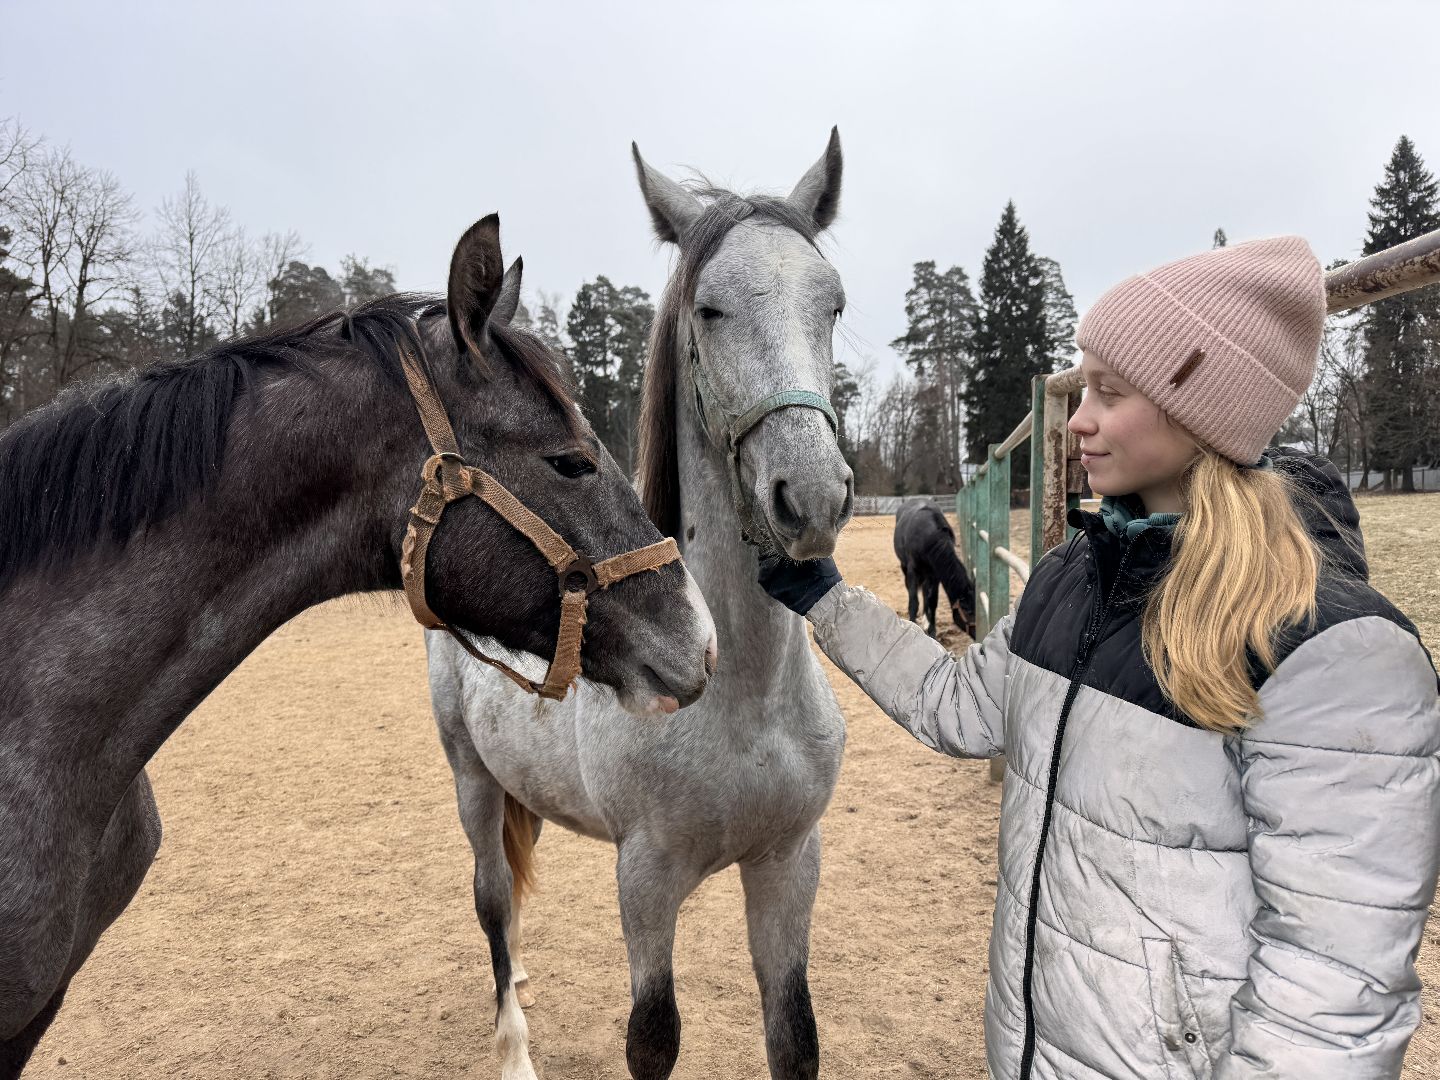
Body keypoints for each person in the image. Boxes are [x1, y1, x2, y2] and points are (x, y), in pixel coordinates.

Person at [758, 237, 1440, 1079]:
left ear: (1203, 411)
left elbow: (1333, 991)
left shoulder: (1333, 655)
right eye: (1083, 389)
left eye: (1110, 394)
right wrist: (826, 597)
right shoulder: (1074, 577)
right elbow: (959, 702)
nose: (1076, 420)